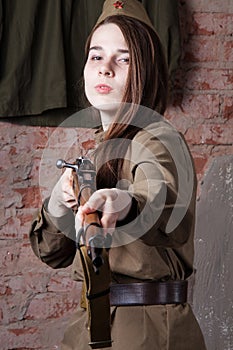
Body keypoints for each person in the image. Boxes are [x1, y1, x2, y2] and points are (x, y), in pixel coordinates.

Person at [29, 1, 207, 349]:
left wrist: (126, 202)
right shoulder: (98, 154)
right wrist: (61, 200)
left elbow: (162, 200)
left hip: (146, 330)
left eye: (122, 59)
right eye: (96, 56)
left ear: (145, 70)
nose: (105, 69)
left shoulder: (157, 138)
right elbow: (51, 252)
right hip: (95, 325)